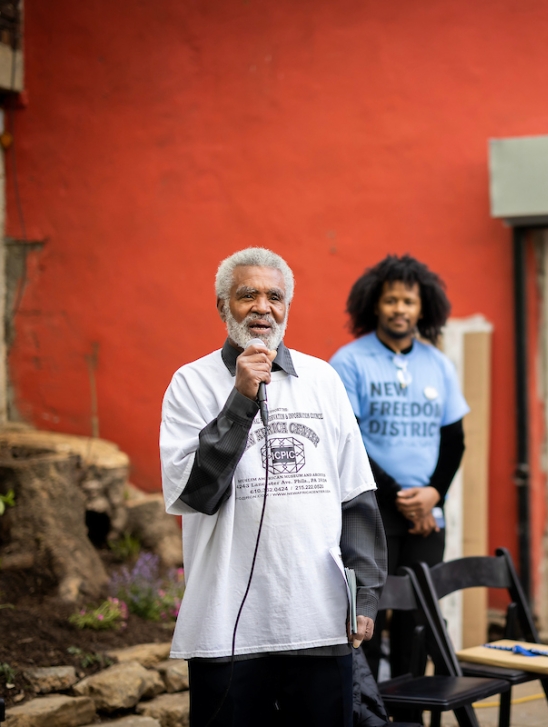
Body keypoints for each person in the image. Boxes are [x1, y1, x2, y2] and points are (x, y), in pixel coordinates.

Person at [160, 247, 386, 726]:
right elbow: (197, 494)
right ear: (222, 306)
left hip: (319, 616)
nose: (263, 306)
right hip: (227, 628)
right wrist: (240, 399)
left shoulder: (323, 379)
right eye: (247, 295)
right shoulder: (190, 384)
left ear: (287, 308)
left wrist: (364, 592)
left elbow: (357, 497)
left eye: (275, 296)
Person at [330, 254, 468, 679]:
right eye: (391, 300)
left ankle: (413, 717)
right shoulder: (349, 362)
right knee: (367, 620)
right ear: (375, 305)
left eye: (408, 301)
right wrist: (400, 498)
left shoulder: (438, 364)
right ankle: (367, 715)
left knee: (418, 623)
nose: (399, 309)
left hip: (425, 513)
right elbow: (347, 442)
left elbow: (454, 441)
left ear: (422, 308)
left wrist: (432, 495)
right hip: (371, 508)